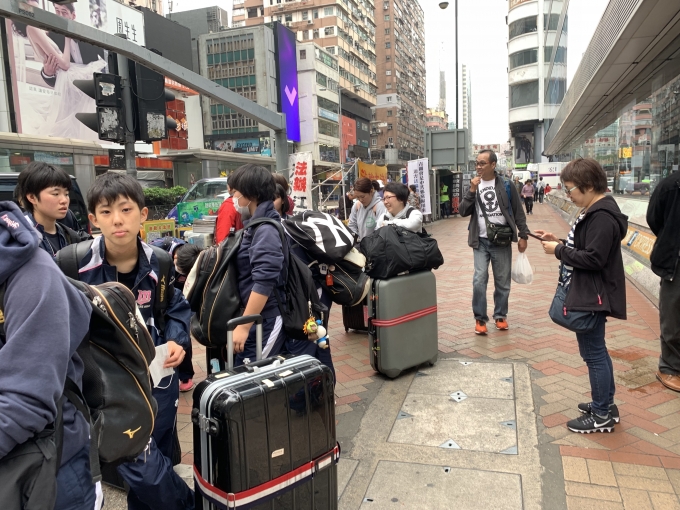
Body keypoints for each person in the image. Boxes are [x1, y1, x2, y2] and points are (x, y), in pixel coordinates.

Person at [74, 173, 194, 510]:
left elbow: (175, 308)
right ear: (94, 219)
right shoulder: (74, 264)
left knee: (159, 449)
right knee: (139, 463)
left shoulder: (160, 261)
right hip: (106, 386)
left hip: (158, 378)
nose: (117, 220)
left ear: (142, 214)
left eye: (125, 210)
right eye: (106, 211)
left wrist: (177, 339)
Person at [0, 201, 96, 509]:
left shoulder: (34, 271)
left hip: (47, 461)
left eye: (64, 192)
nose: (63, 200)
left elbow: (26, 399)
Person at [537, 158, 627, 433]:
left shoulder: (601, 216)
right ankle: (605, 404)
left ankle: (601, 414)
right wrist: (559, 241)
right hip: (591, 291)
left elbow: (594, 258)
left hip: (592, 294)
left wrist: (558, 251)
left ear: (587, 186)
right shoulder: (596, 210)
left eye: (570, 189)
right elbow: (587, 248)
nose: (568, 195)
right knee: (597, 351)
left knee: (593, 353)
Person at [460, 149, 529, 335]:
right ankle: (480, 318)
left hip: (502, 240)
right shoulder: (474, 185)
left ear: (493, 165)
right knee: (479, 279)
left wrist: (523, 235)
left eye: (482, 163)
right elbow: (463, 211)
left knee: (502, 281)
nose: (478, 167)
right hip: (480, 240)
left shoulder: (506, 184)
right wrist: (472, 191)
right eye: (477, 163)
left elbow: (518, 211)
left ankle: (500, 315)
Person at [229, 164, 288, 365]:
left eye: (236, 192)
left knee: (255, 374)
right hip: (257, 317)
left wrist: (244, 325)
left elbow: (264, 281)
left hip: (266, 319)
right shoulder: (256, 224)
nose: (233, 198)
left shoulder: (265, 230)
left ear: (251, 194)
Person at [647, 170, 680, 392]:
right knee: (673, 316)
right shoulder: (671, 185)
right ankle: (670, 367)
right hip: (676, 262)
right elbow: (654, 218)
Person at [17, 162, 88, 257]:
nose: (64, 200)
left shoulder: (69, 235)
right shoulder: (20, 237)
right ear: (32, 197)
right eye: (55, 194)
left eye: (66, 194)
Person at [348, 177, 387, 242]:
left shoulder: (380, 206)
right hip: (360, 244)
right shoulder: (357, 205)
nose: (360, 200)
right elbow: (352, 225)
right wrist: (354, 239)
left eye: (362, 196)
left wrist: (368, 244)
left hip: (374, 245)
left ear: (371, 191)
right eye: (358, 197)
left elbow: (380, 231)